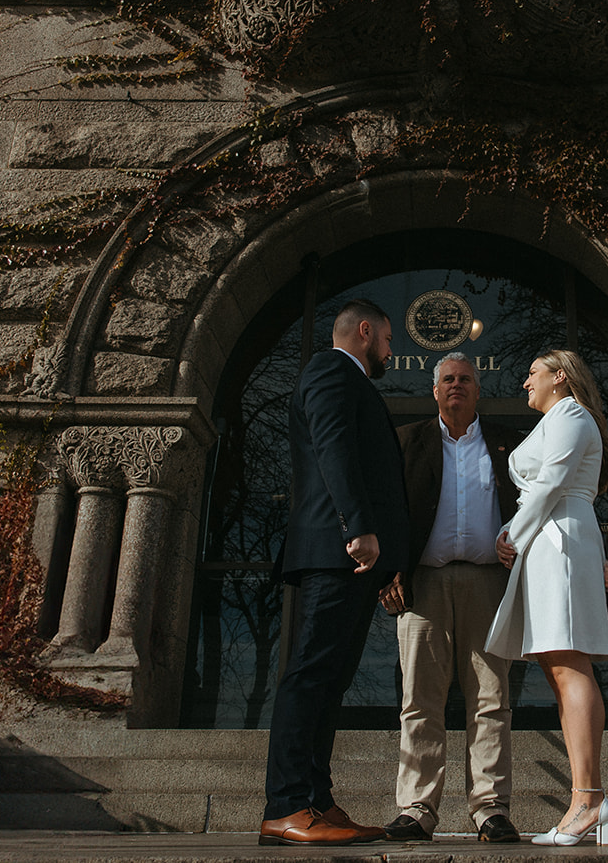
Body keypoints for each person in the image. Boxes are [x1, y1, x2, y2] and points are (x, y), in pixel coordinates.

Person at [259, 299, 410, 847]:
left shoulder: (350, 382)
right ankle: (287, 805)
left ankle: (317, 801)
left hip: (351, 558)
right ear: (365, 332)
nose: (392, 352)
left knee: (331, 681)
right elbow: (334, 450)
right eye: (389, 339)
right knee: (310, 675)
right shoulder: (328, 371)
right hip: (336, 550)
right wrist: (358, 527)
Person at [378, 353, 523, 844]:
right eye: (447, 380)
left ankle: (490, 810)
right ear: (434, 391)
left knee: (492, 700)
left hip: (489, 584)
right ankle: (417, 808)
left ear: (477, 391)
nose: (456, 386)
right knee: (420, 699)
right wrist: (387, 574)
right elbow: (387, 511)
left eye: (465, 379)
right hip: (424, 584)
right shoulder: (407, 441)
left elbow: (531, 504)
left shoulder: (509, 444)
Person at [486, 348, 608, 847]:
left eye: (532, 373)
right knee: (559, 668)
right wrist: (519, 535)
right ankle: (585, 800)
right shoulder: (561, 418)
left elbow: (551, 482)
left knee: (569, 665)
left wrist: (512, 533)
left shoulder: (571, 414)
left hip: (558, 538)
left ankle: (588, 800)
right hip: (551, 539)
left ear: (560, 377)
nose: (525, 383)